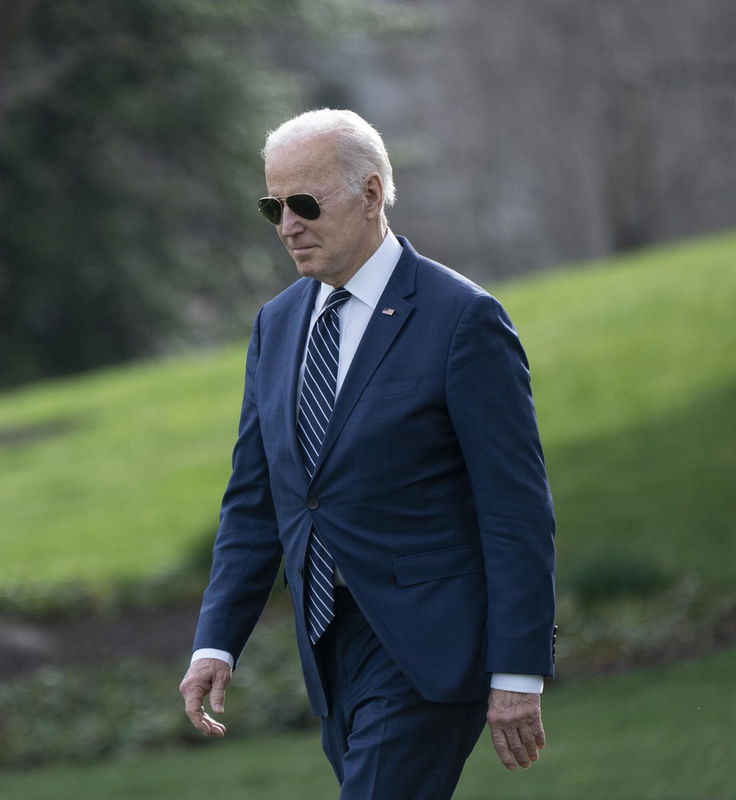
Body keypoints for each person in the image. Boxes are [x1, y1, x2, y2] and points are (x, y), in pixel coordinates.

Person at [178, 108, 556, 799]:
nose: (286, 224)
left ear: (372, 193)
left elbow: (516, 510)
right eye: (273, 205)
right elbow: (255, 500)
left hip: (429, 647)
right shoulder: (276, 323)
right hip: (329, 646)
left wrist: (518, 673)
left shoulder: (463, 320)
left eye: (305, 203)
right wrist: (216, 642)